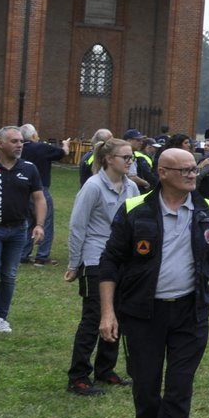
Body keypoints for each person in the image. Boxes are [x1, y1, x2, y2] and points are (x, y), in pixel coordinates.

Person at [96, 146, 209, 418]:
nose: (192, 174)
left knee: (179, 388)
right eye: (184, 170)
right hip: (143, 313)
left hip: (190, 313)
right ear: (163, 173)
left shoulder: (208, 211)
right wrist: (108, 312)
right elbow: (110, 262)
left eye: (193, 169)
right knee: (145, 388)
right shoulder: (134, 210)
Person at [64, 138, 139, 395]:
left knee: (117, 315)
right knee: (94, 318)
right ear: (109, 159)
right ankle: (78, 377)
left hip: (122, 262)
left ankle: (105, 370)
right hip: (95, 260)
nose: (130, 162)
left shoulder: (131, 189)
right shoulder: (93, 186)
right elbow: (77, 225)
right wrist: (75, 264)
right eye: (126, 158)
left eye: (132, 158)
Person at [0, 126, 47, 334]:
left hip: (18, 230)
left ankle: (2, 318)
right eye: (14, 141)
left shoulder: (29, 168)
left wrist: (39, 224)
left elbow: (39, 198)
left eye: (21, 141)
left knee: (9, 275)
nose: (20, 145)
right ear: (0, 143)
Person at [17, 125, 67, 265]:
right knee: (46, 222)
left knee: (27, 222)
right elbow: (63, 153)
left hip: (23, 191)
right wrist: (65, 144)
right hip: (40, 189)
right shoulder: (41, 148)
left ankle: (23, 254)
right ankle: (41, 256)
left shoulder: (19, 149)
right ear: (33, 136)